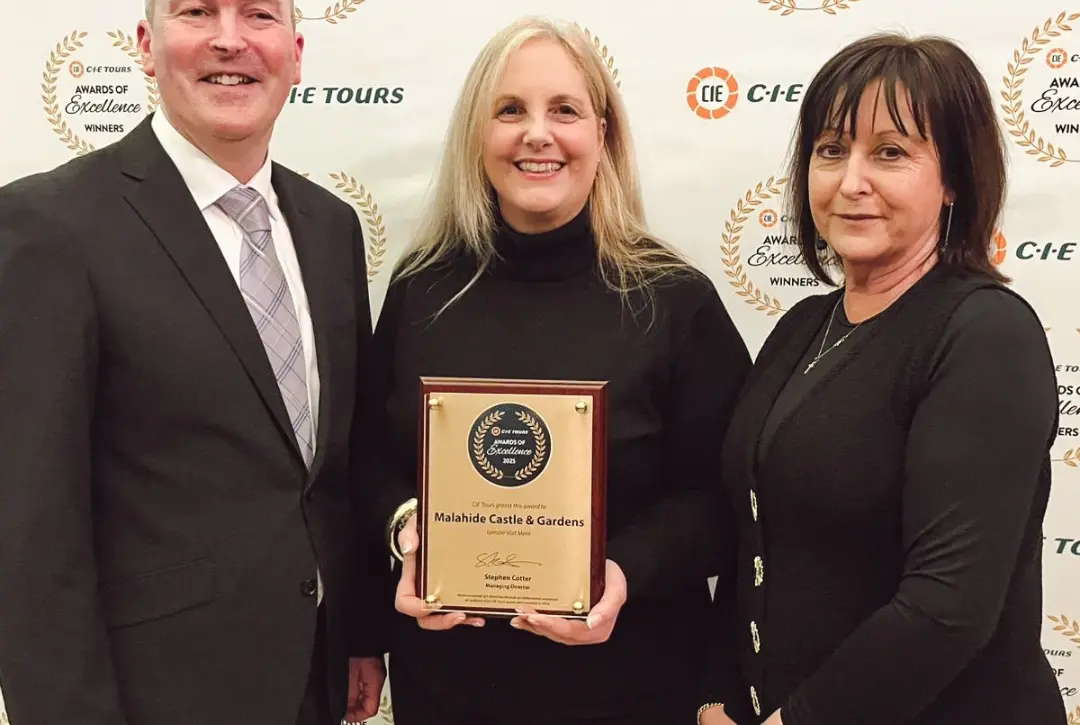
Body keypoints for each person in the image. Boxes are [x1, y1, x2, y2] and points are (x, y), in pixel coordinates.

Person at [0, 1, 391, 724]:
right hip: (151, 695)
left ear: (297, 53)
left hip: (313, 681)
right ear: (147, 46)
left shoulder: (331, 228)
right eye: (197, 11)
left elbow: (336, 467)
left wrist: (360, 632)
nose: (229, 39)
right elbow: (31, 529)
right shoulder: (51, 226)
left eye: (258, 16)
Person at [354, 15, 751, 725]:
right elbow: (365, 459)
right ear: (479, 137)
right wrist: (410, 527)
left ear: (604, 134)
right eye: (510, 110)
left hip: (634, 686)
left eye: (564, 109)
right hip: (448, 690)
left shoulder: (674, 300)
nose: (537, 133)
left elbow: (726, 502)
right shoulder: (420, 290)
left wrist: (626, 570)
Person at [697, 32, 1067, 725]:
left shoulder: (985, 334)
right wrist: (718, 697)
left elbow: (947, 607)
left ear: (953, 176)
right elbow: (754, 538)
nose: (850, 181)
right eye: (831, 149)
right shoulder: (801, 327)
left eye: (890, 152)